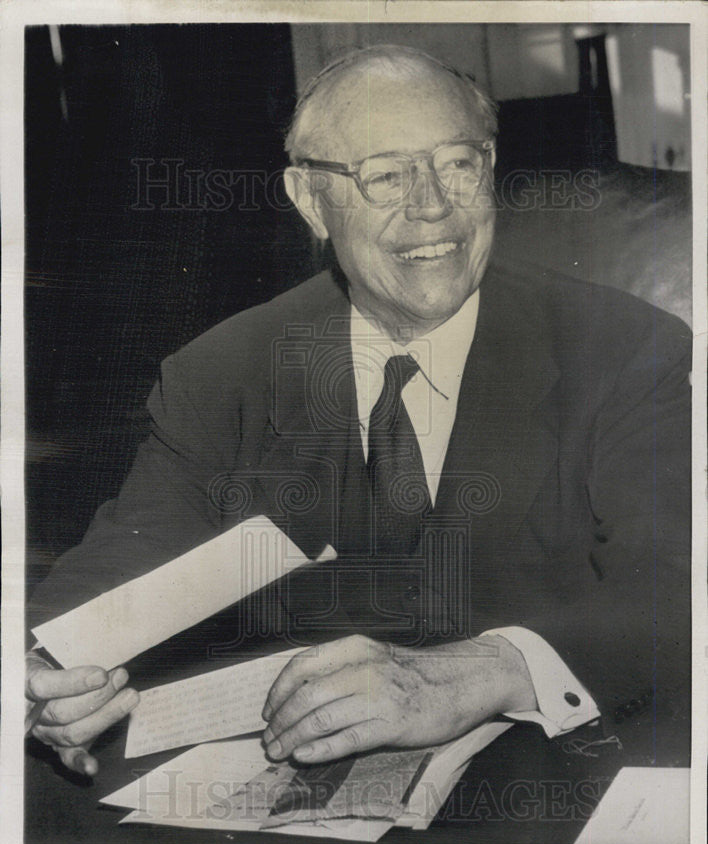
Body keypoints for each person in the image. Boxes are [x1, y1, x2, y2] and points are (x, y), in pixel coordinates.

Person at [25, 45, 691, 778]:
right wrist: (49, 673)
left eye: (458, 163)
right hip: (305, 787)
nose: (432, 205)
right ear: (312, 201)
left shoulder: (623, 350)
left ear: (490, 167)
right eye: (385, 176)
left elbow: (672, 585)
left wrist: (490, 668)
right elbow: (127, 561)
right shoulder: (224, 373)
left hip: (547, 777)